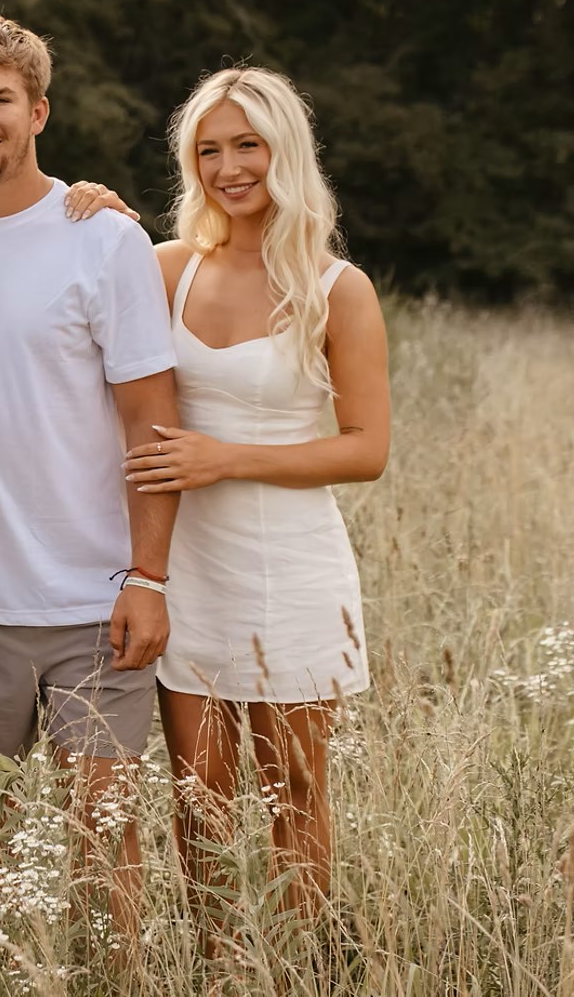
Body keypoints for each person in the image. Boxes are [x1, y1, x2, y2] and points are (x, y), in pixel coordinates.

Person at [0, 15, 182, 962]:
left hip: (93, 598)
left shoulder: (102, 242)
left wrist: (148, 576)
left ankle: (111, 981)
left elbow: (153, 427)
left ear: (38, 112)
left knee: (104, 840)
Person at [124, 66, 390, 946]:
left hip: (293, 566)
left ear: (285, 152)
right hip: (185, 567)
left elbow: (366, 449)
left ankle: (300, 964)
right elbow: (71, 263)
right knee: (197, 799)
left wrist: (224, 457)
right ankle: (216, 962)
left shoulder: (336, 289)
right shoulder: (167, 269)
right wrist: (85, 201)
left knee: (295, 797)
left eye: (248, 145)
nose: (229, 166)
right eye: (209, 150)